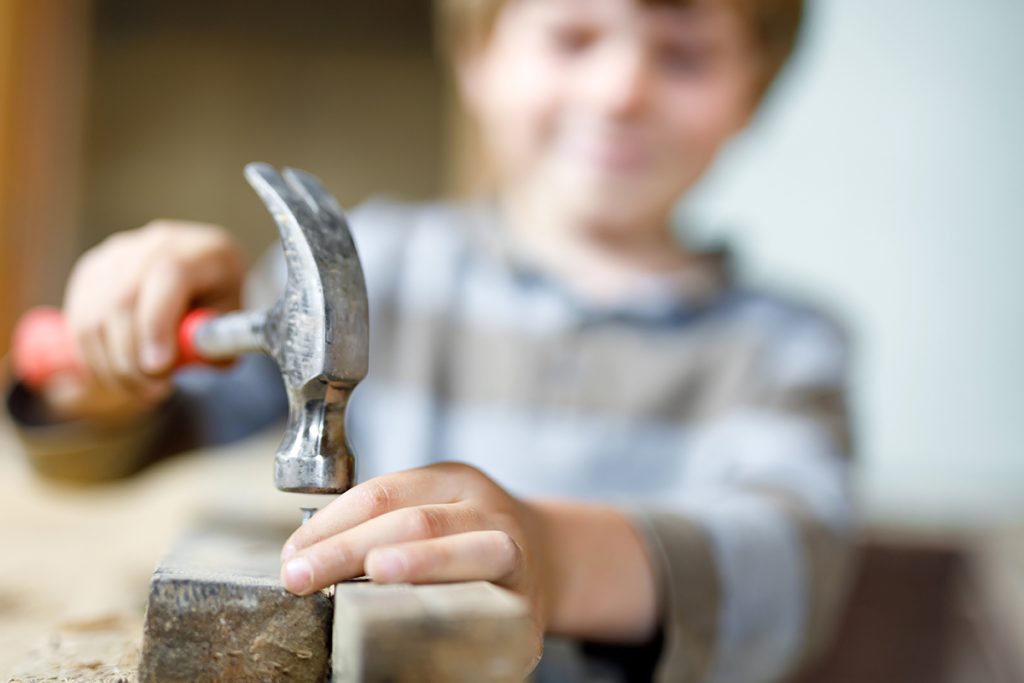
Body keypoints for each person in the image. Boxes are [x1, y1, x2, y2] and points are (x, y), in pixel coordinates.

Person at [5, 0, 856, 680]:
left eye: (683, 54)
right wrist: (112, 360)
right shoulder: (385, 262)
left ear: (753, 88)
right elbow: (139, 432)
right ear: (479, 58)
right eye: (571, 36)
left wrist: (552, 556)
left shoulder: (782, 347)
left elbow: (788, 570)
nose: (621, 90)